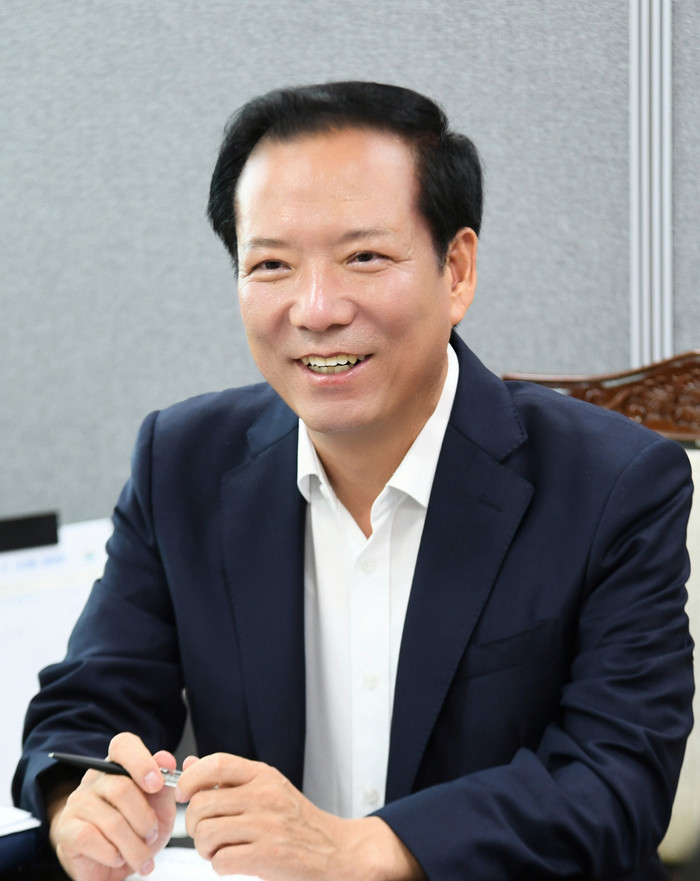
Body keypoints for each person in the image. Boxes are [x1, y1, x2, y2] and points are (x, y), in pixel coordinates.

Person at [13, 81, 694, 881]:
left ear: (457, 270)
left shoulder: (613, 482)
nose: (315, 309)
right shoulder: (182, 461)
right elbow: (89, 703)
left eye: (363, 257)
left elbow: (614, 785)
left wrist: (355, 849)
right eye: (271, 264)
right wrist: (80, 799)